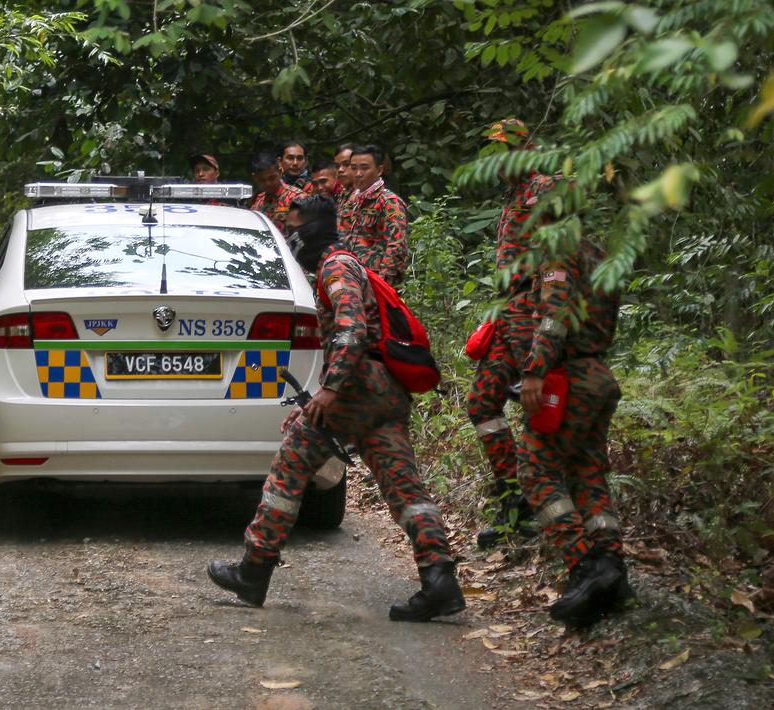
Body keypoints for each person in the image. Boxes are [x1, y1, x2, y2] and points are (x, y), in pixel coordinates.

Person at [207, 194, 465, 623]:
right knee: (404, 487)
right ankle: (440, 579)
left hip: (356, 388)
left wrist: (328, 391)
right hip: (384, 391)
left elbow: (351, 331)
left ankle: (254, 570)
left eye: (294, 227)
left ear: (312, 228)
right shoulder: (347, 264)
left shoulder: (336, 266)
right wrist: (318, 396)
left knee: (290, 466)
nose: (291, 236)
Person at [516, 219, 632, 628]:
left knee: (535, 469)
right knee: (586, 471)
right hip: (597, 375)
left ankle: (583, 567)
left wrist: (535, 370)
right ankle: (611, 567)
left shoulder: (560, 251)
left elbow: (554, 315)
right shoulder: (597, 252)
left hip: (570, 378)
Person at [469, 118, 549, 549]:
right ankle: (512, 499)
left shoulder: (544, 189)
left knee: (540, 410)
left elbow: (561, 256)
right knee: (483, 403)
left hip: (534, 313)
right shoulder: (514, 194)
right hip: (508, 311)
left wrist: (543, 312)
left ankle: (550, 509)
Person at [337, 145, 410, 284]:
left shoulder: (389, 202)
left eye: (364, 168)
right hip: (346, 280)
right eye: (354, 168)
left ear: (379, 170)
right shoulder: (349, 201)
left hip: (375, 282)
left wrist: (383, 283)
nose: (358, 173)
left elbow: (396, 247)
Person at [249, 151, 305, 234]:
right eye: (262, 180)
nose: (267, 183)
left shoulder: (297, 198)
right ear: (255, 178)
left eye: (272, 178)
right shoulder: (257, 201)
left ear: (280, 171)